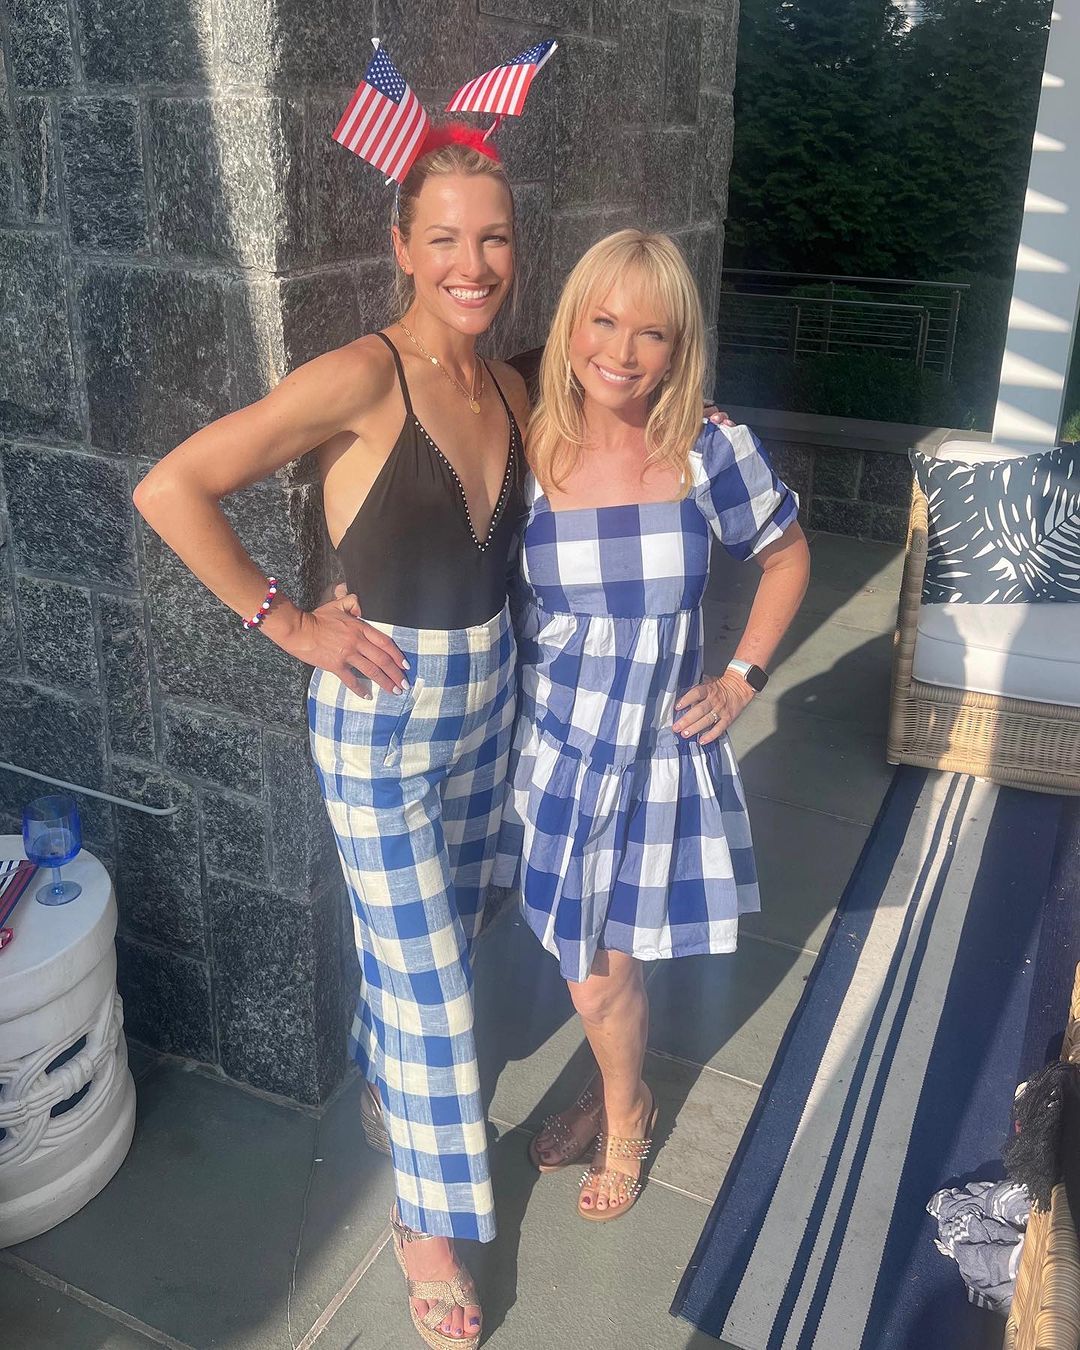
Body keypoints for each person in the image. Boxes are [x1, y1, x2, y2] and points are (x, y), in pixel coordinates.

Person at [134, 125, 532, 1350]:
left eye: (495, 238)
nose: (473, 263)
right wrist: (291, 622)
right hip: (382, 723)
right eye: (446, 238)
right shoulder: (363, 376)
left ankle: (382, 1081)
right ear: (401, 246)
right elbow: (172, 488)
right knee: (434, 990)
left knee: (445, 938)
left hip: (489, 708)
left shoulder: (512, 387)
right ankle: (429, 1224)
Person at [494, 229, 811, 1222]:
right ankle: (616, 1081)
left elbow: (787, 555)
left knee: (598, 978)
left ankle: (626, 1111)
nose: (622, 352)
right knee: (590, 966)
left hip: (657, 763)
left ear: (679, 348)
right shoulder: (526, 445)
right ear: (570, 324)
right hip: (558, 759)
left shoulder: (708, 449)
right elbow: (447, 555)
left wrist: (743, 678)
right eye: (603, 321)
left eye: (652, 333)